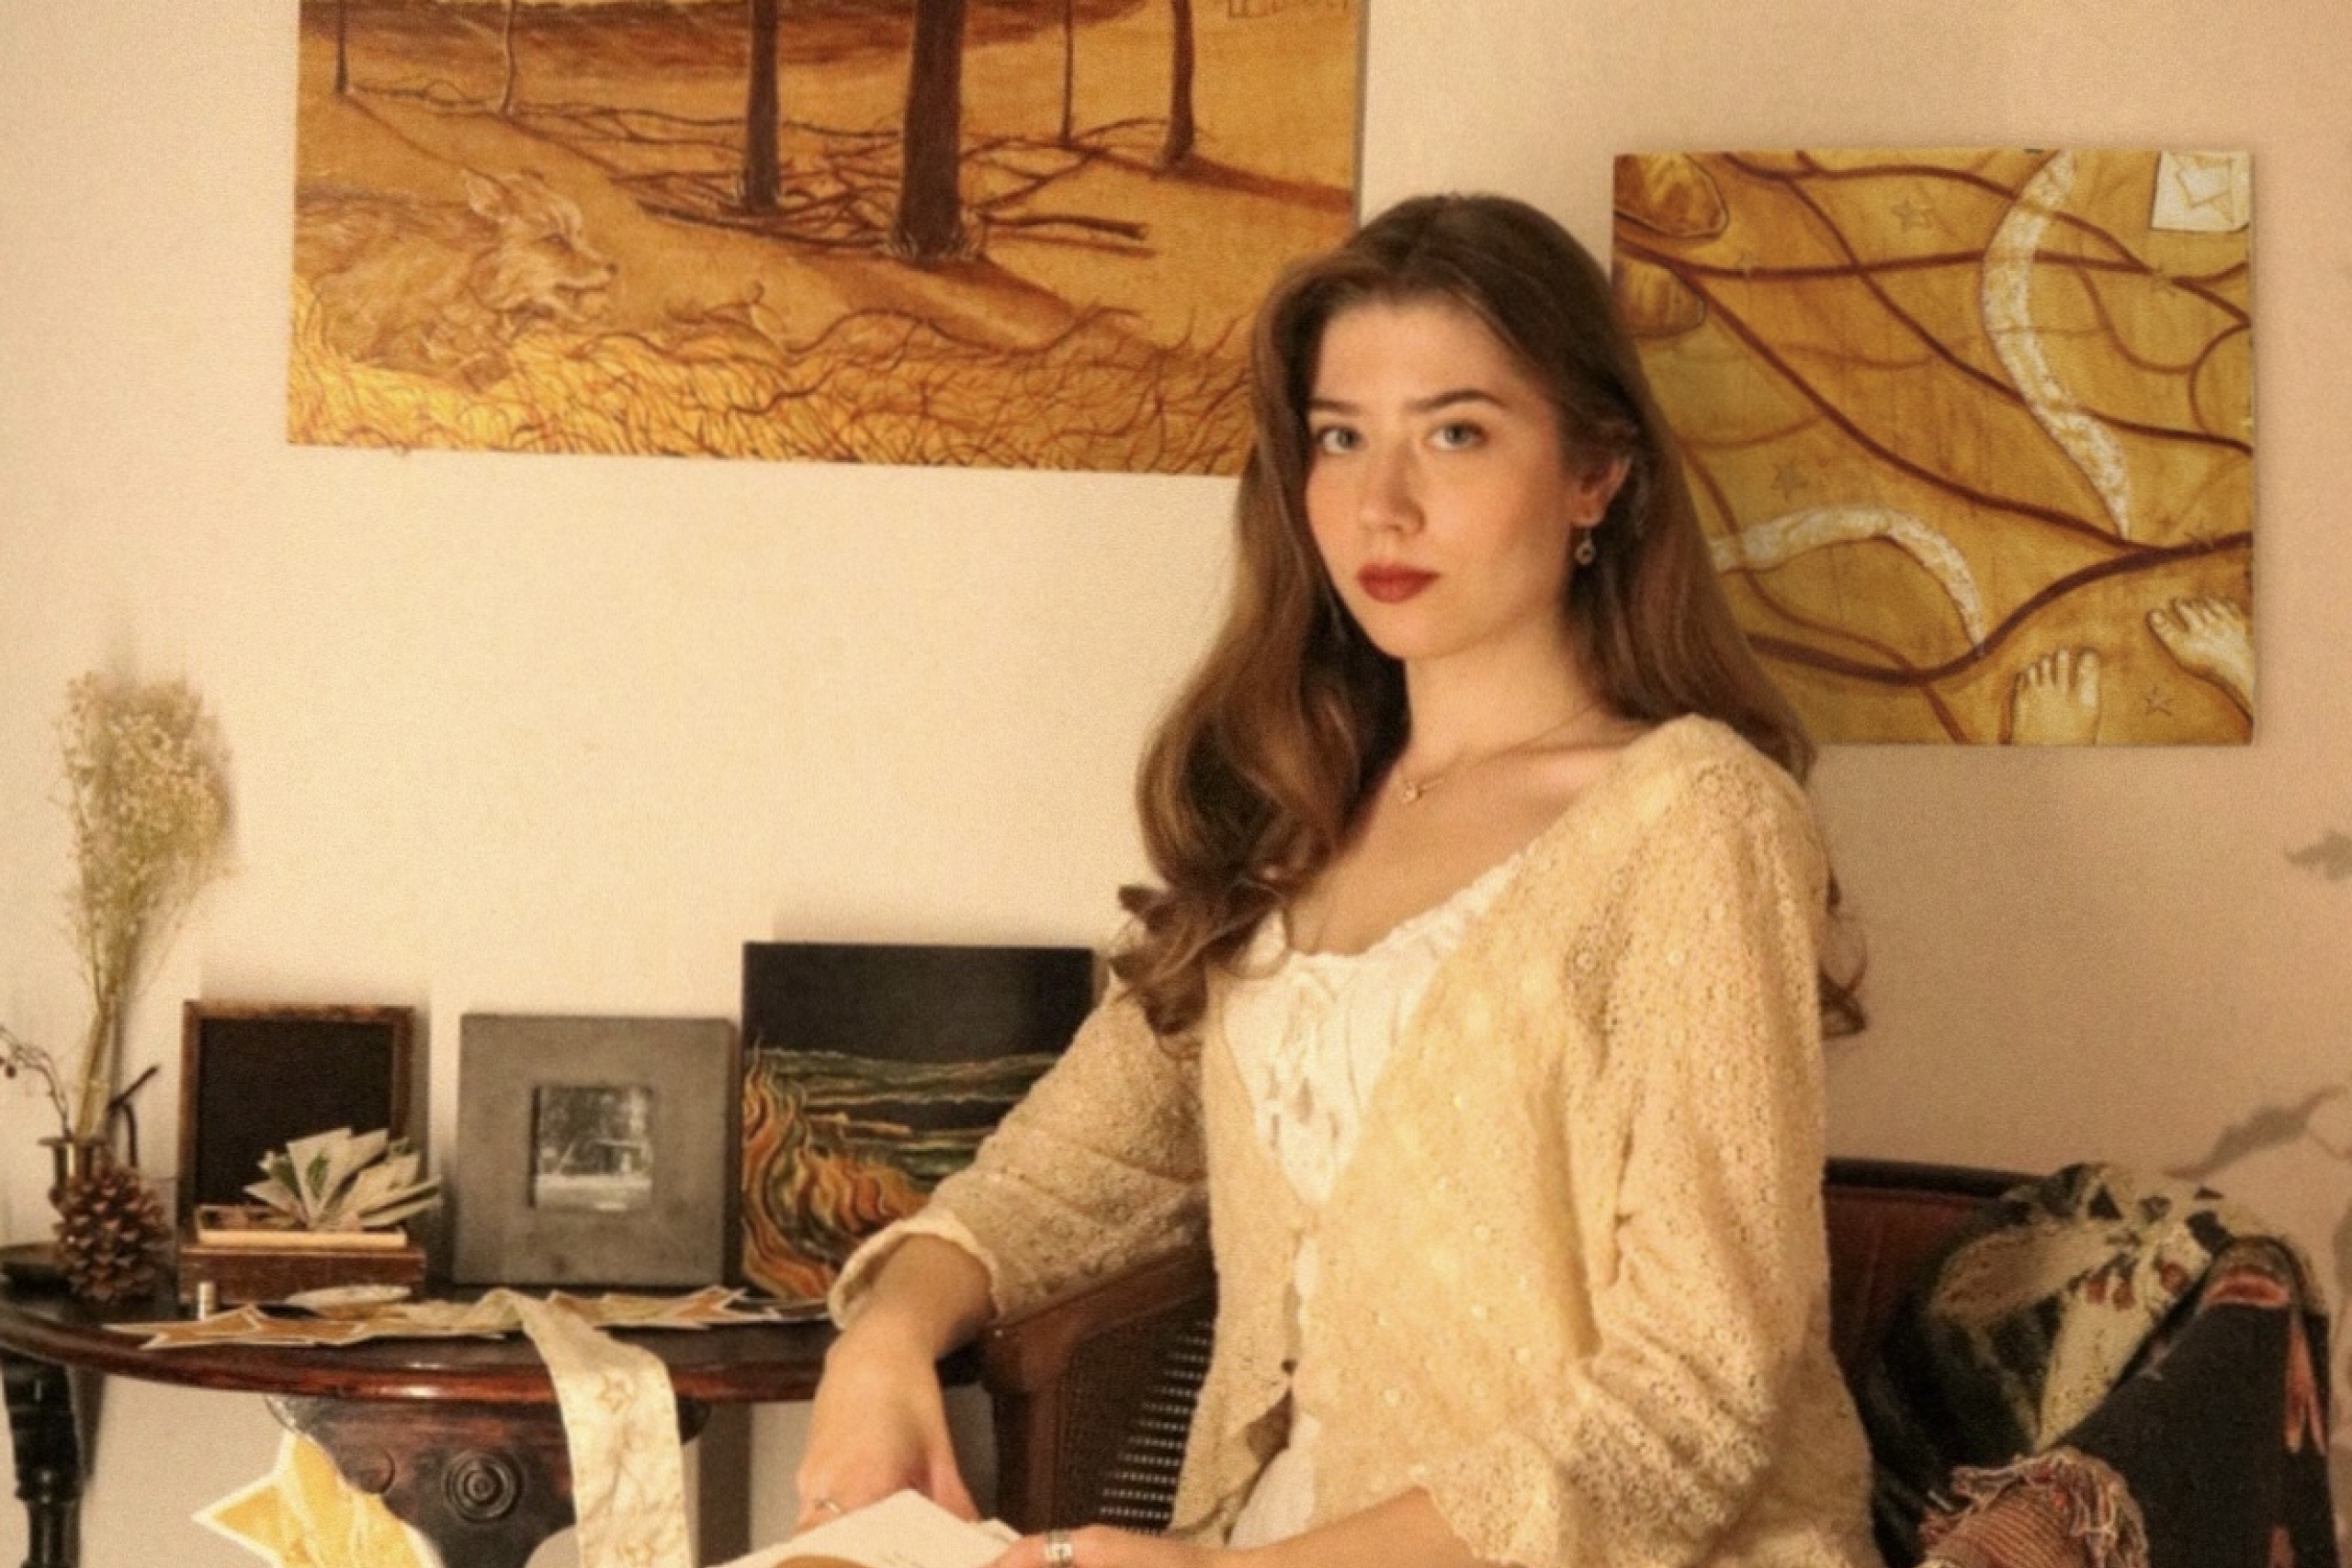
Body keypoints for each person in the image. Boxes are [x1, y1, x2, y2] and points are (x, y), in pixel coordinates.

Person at [794, 192, 1877, 1568]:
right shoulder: (1289, 810)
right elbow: (1069, 1170)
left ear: (1596, 473)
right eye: (1341, 437)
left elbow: (1699, 1395)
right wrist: (887, 1336)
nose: (1385, 502)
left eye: (1458, 432)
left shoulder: (1697, 819)